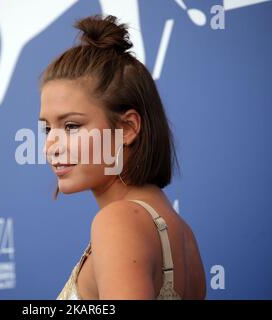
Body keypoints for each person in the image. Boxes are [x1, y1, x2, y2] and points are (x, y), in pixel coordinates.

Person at [38, 14, 206, 300]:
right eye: (46, 128)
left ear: (127, 128)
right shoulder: (184, 236)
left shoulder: (118, 221)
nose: (50, 146)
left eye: (71, 126)